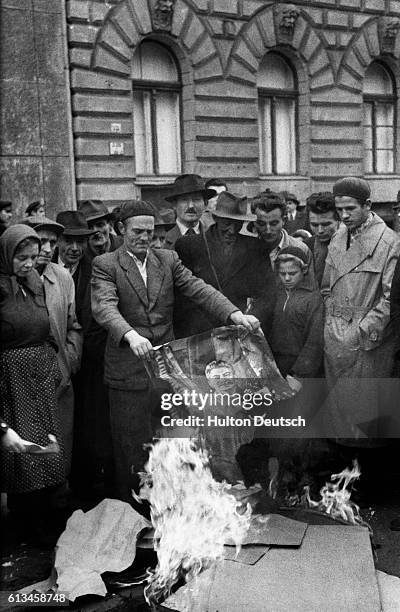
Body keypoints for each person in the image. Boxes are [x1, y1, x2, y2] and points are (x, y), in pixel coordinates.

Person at [90, 200, 260, 503]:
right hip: (126, 374)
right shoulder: (106, 265)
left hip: (166, 373)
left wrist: (235, 315)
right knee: (131, 448)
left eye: (150, 231)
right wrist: (130, 335)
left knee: (171, 445)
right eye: (137, 232)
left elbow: (200, 289)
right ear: (121, 230)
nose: (145, 238)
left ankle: (169, 516)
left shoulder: (167, 260)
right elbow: (104, 306)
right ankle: (131, 517)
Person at [0, 225, 65, 541]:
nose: (28, 264)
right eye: (20, 258)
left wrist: (50, 356)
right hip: (11, 378)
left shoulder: (34, 282)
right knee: (21, 450)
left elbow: (46, 324)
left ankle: (47, 519)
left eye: (31, 257)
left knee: (46, 443)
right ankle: (26, 524)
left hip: (39, 374)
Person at [322, 176, 400, 440]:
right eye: (339, 209)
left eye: (350, 209)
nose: (343, 216)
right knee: (339, 425)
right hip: (335, 339)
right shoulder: (338, 237)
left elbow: (391, 298)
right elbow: (327, 286)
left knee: (366, 426)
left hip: (368, 344)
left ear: (367, 205)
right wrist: (332, 321)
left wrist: (360, 331)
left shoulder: (389, 242)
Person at [22, 215, 82, 477]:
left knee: (60, 444)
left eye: (52, 242)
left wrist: (68, 363)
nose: (47, 249)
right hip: (24, 379)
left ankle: (60, 500)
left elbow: (74, 326)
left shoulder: (62, 278)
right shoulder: (14, 278)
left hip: (59, 378)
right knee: (28, 449)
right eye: (41, 242)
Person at [175, 191, 276, 338]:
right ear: (216, 218)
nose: (232, 230)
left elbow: (267, 295)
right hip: (201, 334)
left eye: (238, 224)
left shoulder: (256, 247)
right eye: (227, 224)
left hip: (242, 332)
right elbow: (183, 298)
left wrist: (250, 321)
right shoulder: (189, 246)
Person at [268, 246, 323, 379]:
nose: (287, 278)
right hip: (273, 361)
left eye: (292, 273)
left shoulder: (313, 299)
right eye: (282, 273)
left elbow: (314, 340)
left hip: (298, 364)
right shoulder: (275, 294)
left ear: (304, 270)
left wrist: (299, 372)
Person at [250, 190, 316, 286]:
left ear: (284, 220)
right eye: (261, 224)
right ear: (254, 222)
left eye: (274, 223)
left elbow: (310, 289)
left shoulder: (301, 249)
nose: (268, 230)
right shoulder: (247, 249)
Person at [53, 211, 94, 326]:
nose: (75, 248)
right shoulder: (43, 268)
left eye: (81, 242)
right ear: (57, 241)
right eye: (68, 241)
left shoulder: (95, 270)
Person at [164, 174, 216, 249]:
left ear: (205, 204)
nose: (191, 206)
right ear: (174, 205)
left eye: (196, 199)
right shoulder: (162, 238)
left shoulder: (214, 237)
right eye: (184, 200)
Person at [305, 192, 340, 287]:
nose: (320, 231)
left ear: (339, 219)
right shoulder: (305, 247)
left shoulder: (353, 244)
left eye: (326, 224)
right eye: (314, 225)